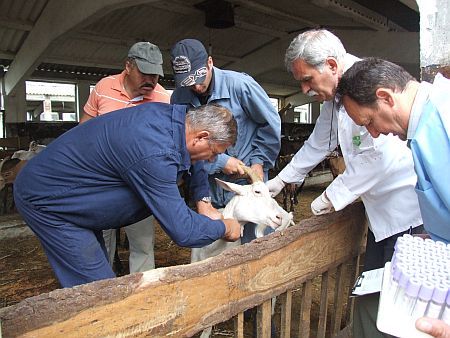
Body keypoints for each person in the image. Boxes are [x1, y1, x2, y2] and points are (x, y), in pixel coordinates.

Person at [265, 29, 424, 337]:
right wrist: (282, 180)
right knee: (374, 286)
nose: (305, 89)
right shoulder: (335, 98)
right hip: (381, 214)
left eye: (308, 80)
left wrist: (327, 198)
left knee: (401, 300)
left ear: (331, 66)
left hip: (408, 215)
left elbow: (379, 156)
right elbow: (319, 142)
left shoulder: (367, 85)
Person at [13, 103, 241, 288]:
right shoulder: (156, 152)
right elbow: (183, 230)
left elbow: (195, 162)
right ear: (201, 137)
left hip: (77, 189)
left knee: (96, 272)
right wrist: (226, 228)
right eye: (214, 153)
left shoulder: (179, 120)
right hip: (49, 199)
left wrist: (203, 199)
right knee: (96, 290)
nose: (212, 161)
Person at [169, 38, 281, 242]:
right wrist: (221, 162)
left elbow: (270, 124)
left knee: (257, 242)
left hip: (247, 181)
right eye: (187, 80)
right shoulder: (179, 97)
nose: (194, 85)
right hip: (210, 185)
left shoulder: (240, 86)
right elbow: (182, 144)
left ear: (210, 63)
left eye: (198, 76)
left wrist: (258, 162)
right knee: (218, 249)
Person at [336, 57, 450, 244]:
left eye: (370, 122)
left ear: (386, 98)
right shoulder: (424, 129)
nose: (373, 134)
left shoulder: (441, 123)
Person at [80, 41, 171, 274]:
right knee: (100, 240)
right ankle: (100, 288)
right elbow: (84, 128)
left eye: (156, 75)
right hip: (102, 182)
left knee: (142, 242)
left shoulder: (162, 99)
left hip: (138, 185)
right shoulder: (103, 87)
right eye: (145, 73)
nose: (150, 80)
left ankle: (142, 294)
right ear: (128, 66)